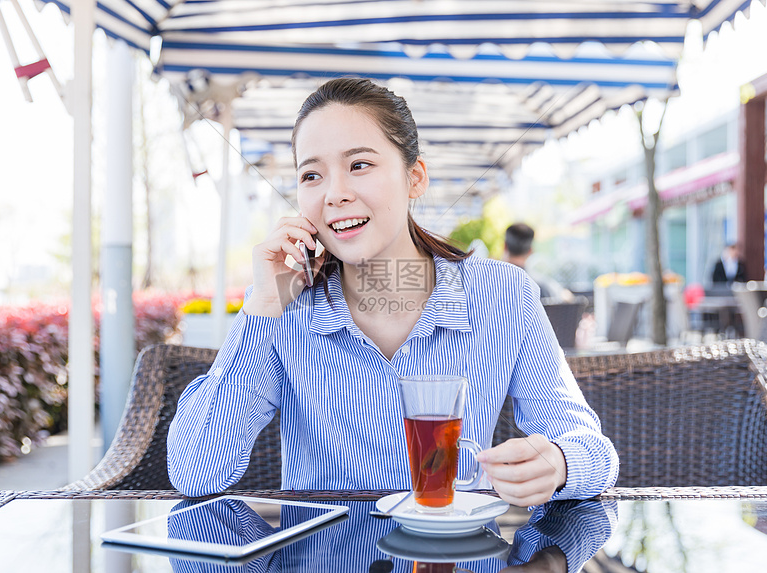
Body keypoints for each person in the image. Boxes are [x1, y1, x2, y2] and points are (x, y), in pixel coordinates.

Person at [167, 78, 618, 507]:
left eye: (359, 164)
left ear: (415, 177)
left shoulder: (503, 294)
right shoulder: (284, 308)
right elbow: (195, 471)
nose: (335, 194)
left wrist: (558, 463)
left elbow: (592, 450)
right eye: (311, 175)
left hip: (455, 557)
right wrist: (262, 309)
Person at [503, 223, 574, 302]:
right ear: (530, 250)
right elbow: (566, 296)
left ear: (505, 246)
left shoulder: (493, 282)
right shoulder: (538, 283)